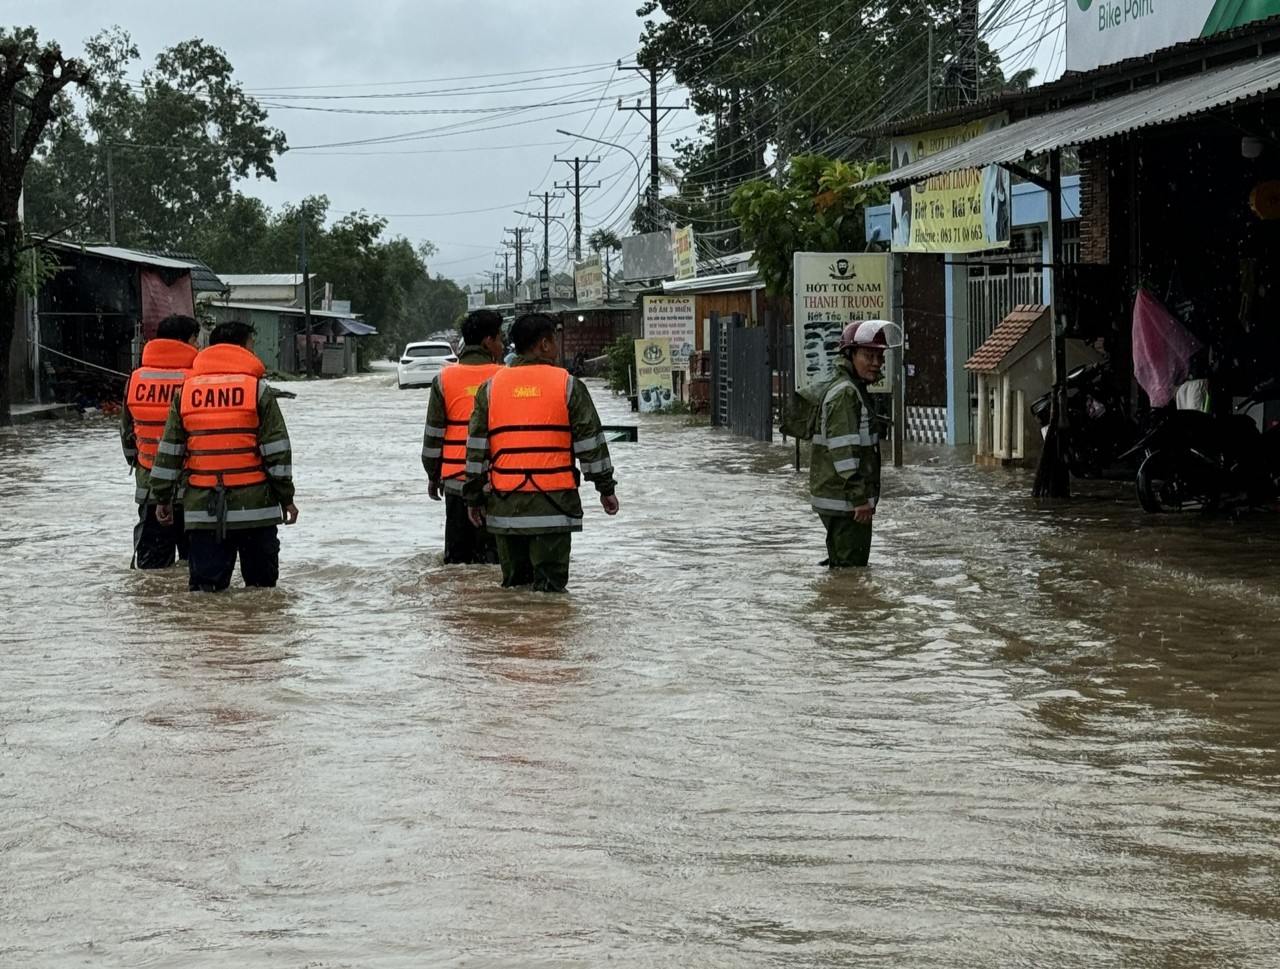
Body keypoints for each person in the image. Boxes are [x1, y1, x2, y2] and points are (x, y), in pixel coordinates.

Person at [464, 313, 619, 593]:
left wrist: (473, 497)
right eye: (555, 341)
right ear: (545, 344)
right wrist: (605, 489)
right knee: (550, 596)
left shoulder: (490, 388)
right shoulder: (568, 385)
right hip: (554, 508)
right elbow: (590, 445)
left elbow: (476, 450)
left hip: (505, 507)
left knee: (514, 594)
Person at [149, 321, 299, 592]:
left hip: (204, 512)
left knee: (206, 597)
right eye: (252, 346)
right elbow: (276, 450)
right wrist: (286, 498)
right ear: (241, 348)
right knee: (262, 594)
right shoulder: (257, 390)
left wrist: (162, 498)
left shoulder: (186, 393)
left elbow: (170, 452)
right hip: (256, 510)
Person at [809, 320, 898, 568]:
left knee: (842, 572)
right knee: (853, 572)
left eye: (879, 357)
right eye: (868, 355)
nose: (876, 363)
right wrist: (860, 500)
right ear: (849, 354)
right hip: (847, 504)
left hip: (841, 501)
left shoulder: (849, 389)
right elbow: (844, 453)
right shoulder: (847, 393)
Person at [422, 308, 505, 564]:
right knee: (494, 562)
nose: (503, 345)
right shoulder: (505, 378)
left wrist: (432, 476)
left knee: (458, 562)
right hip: (498, 483)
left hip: (456, 485)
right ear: (487, 341)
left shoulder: (444, 379)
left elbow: (433, 436)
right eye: (500, 338)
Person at [120, 314, 200, 568]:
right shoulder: (196, 381)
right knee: (197, 570)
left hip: (150, 488)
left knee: (151, 572)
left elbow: (127, 433)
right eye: (196, 340)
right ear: (187, 341)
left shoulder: (136, 379)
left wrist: (142, 464)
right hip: (192, 488)